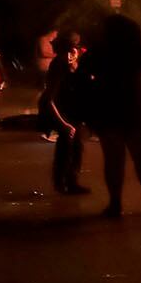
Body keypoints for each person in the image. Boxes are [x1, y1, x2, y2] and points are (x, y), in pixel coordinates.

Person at [79, 16, 141, 216]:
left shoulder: (98, 52)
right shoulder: (136, 51)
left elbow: (82, 78)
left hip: (108, 111)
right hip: (135, 111)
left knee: (113, 160)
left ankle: (115, 204)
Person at [41, 32, 89, 195]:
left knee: (76, 149)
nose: (74, 52)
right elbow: (48, 99)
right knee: (66, 149)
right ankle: (62, 183)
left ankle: (71, 182)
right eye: (72, 48)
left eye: (75, 49)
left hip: (73, 113)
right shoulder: (59, 65)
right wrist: (63, 124)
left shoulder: (71, 63)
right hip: (64, 114)